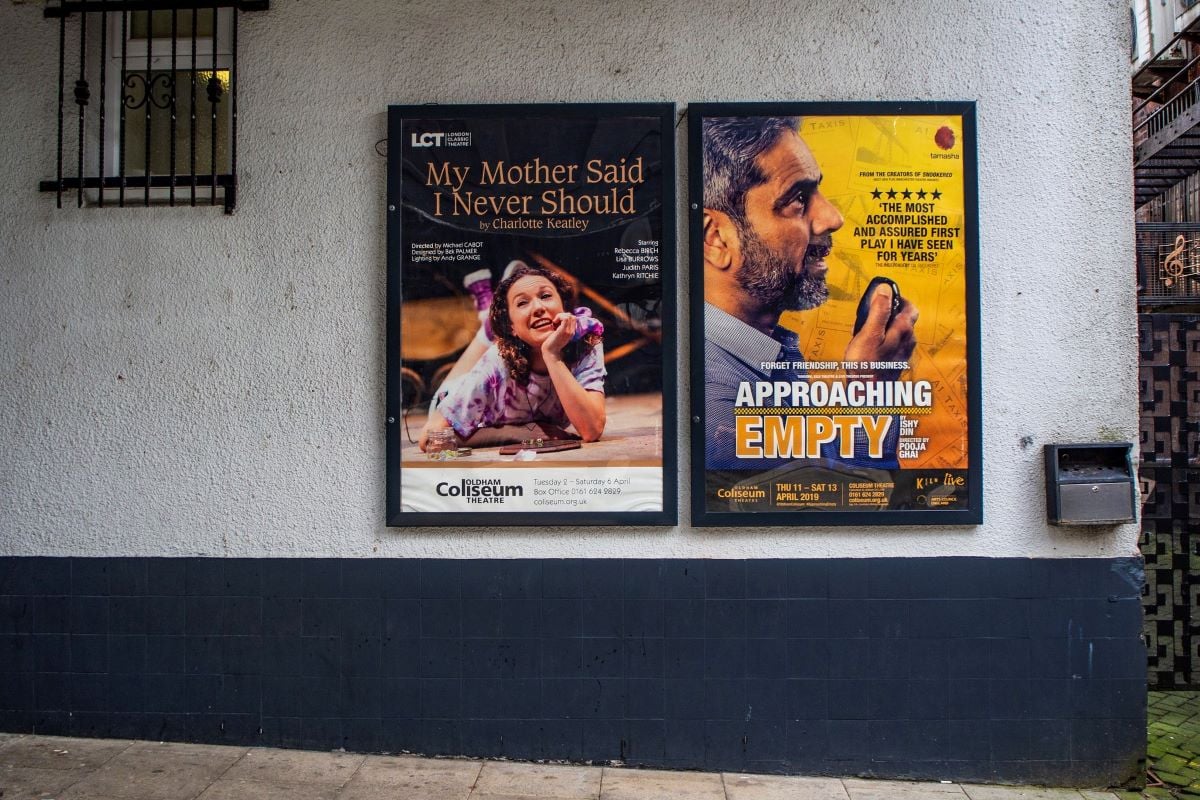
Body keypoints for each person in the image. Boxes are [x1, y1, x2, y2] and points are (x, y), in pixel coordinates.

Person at [701, 116, 918, 471]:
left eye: (817, 192)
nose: (832, 218)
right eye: (798, 200)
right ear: (716, 238)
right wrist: (871, 390)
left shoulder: (762, 353)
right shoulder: (718, 406)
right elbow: (845, 510)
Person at [418, 264, 606, 450]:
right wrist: (516, 433)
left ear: (565, 307)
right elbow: (429, 438)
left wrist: (551, 354)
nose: (538, 307)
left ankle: (489, 313)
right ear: (512, 327)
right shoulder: (497, 361)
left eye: (546, 296)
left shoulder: (586, 341)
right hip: (456, 400)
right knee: (485, 351)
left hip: (495, 374)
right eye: (522, 303)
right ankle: (489, 323)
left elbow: (591, 430)